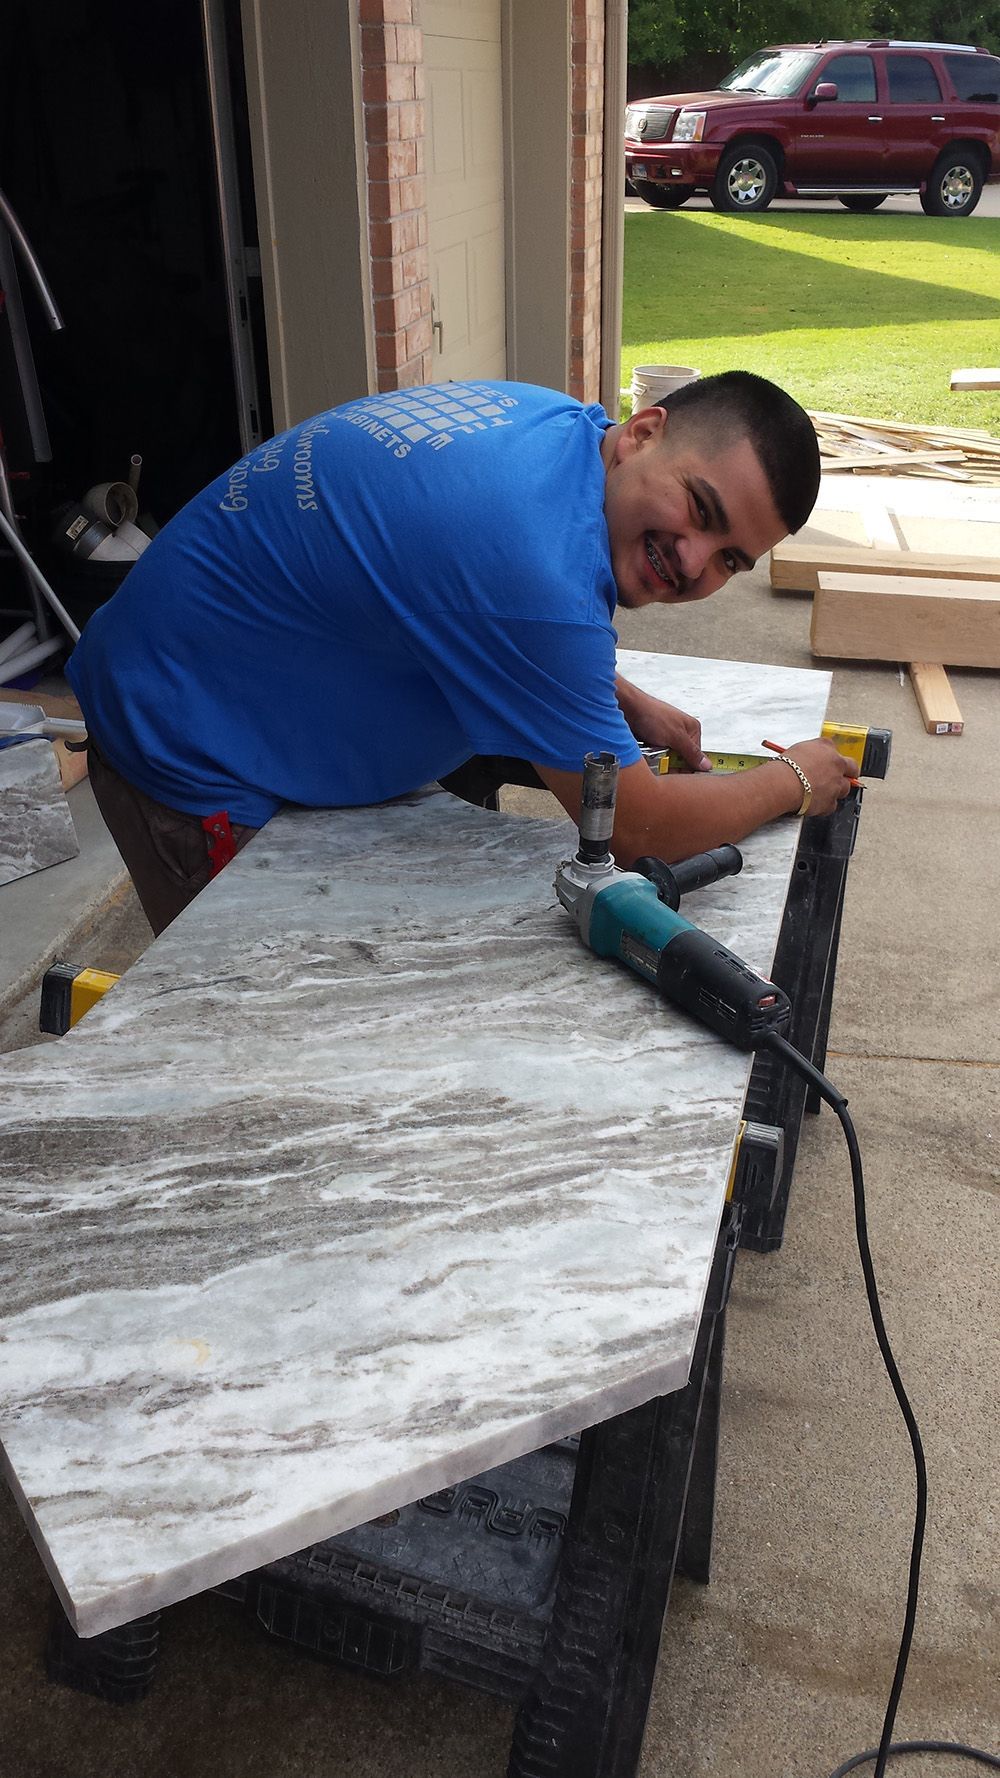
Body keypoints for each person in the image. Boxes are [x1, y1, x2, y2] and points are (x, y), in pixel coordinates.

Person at [66, 372, 854, 935]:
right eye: (700, 510)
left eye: (729, 559)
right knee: (265, 1019)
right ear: (643, 432)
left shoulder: (556, 431)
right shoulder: (530, 566)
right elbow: (640, 829)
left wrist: (617, 695)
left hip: (204, 648)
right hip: (181, 737)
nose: (693, 560)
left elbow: (467, 598)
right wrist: (792, 779)